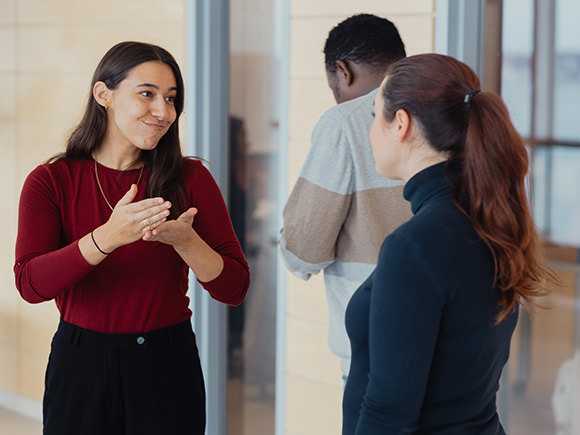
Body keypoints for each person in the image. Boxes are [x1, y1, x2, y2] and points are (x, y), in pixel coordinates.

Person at [14, 41, 250, 435]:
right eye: (147, 94)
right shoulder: (52, 181)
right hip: (80, 365)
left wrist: (186, 242)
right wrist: (107, 237)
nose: (163, 112)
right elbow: (30, 284)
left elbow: (235, 288)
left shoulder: (191, 179)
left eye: (171, 99)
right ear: (103, 94)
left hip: (166, 364)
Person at [343, 53, 555, 434]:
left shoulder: (415, 246)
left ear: (401, 124)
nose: (371, 130)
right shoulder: (490, 220)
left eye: (375, 115)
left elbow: (388, 413)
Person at [279, 13, 412, 379]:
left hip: (377, 349)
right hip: (459, 343)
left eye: (332, 85)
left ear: (342, 71)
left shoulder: (346, 122)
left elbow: (302, 250)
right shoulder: (448, 110)